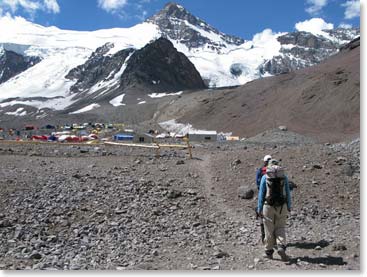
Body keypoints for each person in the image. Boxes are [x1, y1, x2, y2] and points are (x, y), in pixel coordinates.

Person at [257, 159, 292, 261]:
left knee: (269, 229)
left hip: (268, 206)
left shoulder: (265, 177)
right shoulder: (284, 177)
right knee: (280, 227)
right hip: (282, 206)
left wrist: (259, 209)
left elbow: (261, 195)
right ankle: (281, 246)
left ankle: (269, 252)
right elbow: (288, 193)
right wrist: (289, 206)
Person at [255, 155, 272, 243]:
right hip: (278, 201)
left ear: (264, 162)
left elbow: (258, 184)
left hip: (265, 198)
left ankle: (264, 238)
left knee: (262, 216)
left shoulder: (261, 171)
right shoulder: (278, 173)